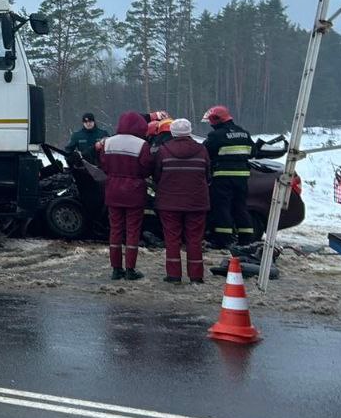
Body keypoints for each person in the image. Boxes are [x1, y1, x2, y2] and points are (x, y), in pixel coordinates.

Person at [153, 118, 210, 284]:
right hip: (196, 202)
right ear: (190, 131)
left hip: (169, 203)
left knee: (172, 239)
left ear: (172, 132)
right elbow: (207, 174)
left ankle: (173, 275)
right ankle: (196, 276)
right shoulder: (202, 150)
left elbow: (157, 175)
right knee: (194, 240)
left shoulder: (163, 150)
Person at [98, 111, 154, 281]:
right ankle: (130, 269)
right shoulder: (142, 145)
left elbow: (104, 165)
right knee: (132, 231)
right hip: (134, 193)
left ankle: (116, 269)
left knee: (115, 230)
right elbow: (146, 169)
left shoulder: (108, 143)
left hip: (113, 191)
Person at [203, 105, 255, 248]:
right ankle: (246, 239)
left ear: (216, 119)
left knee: (222, 207)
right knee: (240, 207)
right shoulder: (244, 133)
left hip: (222, 177)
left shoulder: (216, 136)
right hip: (242, 178)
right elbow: (253, 151)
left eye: (211, 121)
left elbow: (205, 153)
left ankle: (222, 239)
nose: (210, 124)